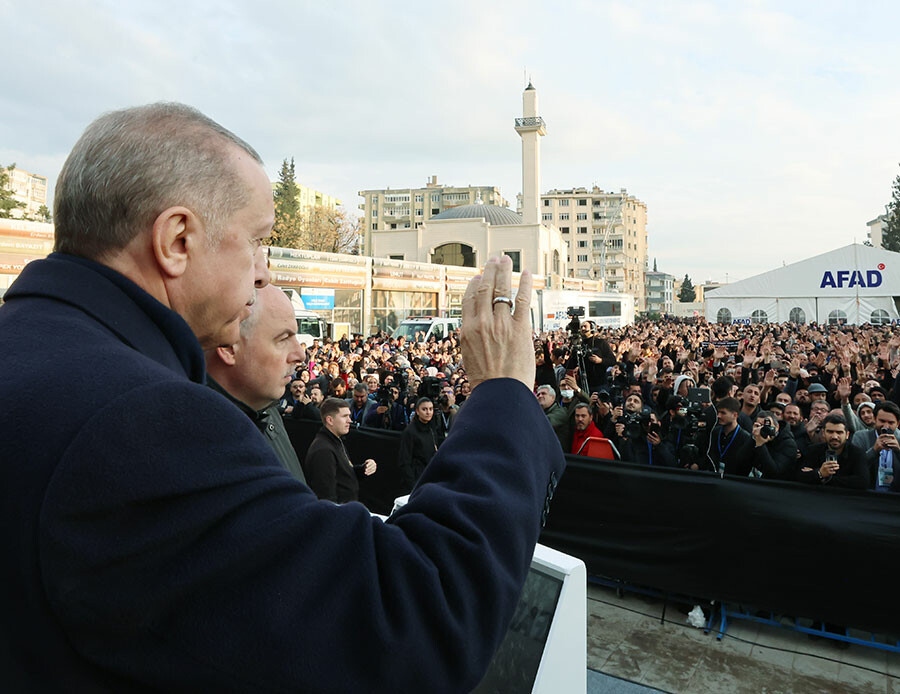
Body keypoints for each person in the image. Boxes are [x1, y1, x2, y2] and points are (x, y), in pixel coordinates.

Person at [0, 104, 565, 691]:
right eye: (256, 241)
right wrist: (502, 394)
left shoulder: (35, 352)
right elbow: (410, 621)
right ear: (177, 240)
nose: (263, 273)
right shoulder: (142, 420)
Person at [205, 284, 307, 482]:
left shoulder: (267, 409)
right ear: (228, 347)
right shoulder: (204, 445)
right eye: (283, 339)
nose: (300, 354)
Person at [303, 397, 377, 502]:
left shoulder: (335, 441)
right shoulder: (323, 451)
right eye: (344, 416)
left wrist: (364, 469)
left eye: (349, 416)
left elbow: (343, 476)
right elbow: (326, 497)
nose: (349, 420)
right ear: (330, 420)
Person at [798, 414, 869, 489]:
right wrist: (820, 473)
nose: (834, 436)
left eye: (839, 432)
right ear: (823, 433)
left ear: (847, 435)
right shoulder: (813, 450)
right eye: (830, 432)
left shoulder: (857, 453)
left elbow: (862, 482)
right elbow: (800, 475)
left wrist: (824, 477)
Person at [850, 400, 900, 492]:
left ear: (898, 424)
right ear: (874, 419)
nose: (886, 426)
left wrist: (898, 452)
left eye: (891, 423)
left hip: (894, 497)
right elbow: (853, 467)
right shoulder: (861, 437)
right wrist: (874, 451)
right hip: (868, 495)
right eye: (882, 421)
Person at [397, 397, 441, 493]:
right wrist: (413, 486)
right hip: (416, 479)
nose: (428, 412)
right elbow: (404, 461)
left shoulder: (432, 428)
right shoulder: (409, 431)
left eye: (430, 409)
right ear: (417, 411)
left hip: (430, 477)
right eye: (424, 409)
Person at [704, 397, 755, 476]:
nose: (718, 416)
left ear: (735, 415)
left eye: (723, 413)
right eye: (718, 412)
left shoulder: (745, 438)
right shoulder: (715, 432)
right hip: (714, 477)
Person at [749, 409, 798, 481]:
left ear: (777, 427)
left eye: (767, 426)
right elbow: (740, 462)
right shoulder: (756, 437)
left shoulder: (788, 444)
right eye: (760, 426)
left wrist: (761, 445)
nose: (764, 429)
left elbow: (774, 472)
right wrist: (753, 437)